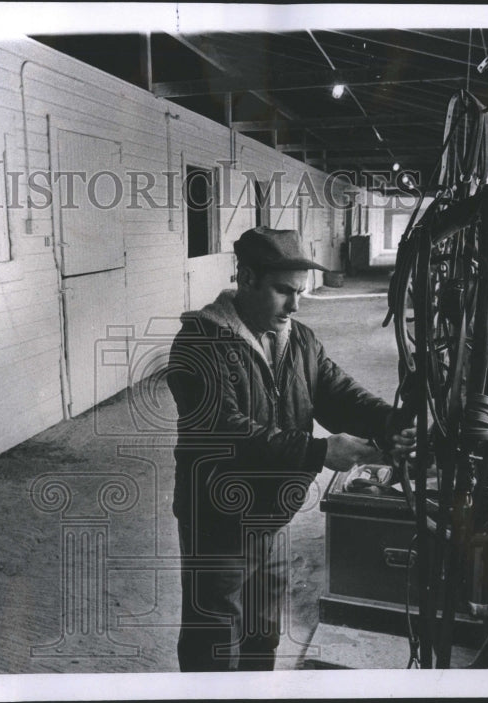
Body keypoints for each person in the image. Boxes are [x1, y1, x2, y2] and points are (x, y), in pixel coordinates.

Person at [166, 226, 415, 672]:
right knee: (214, 637)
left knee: (263, 632)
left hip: (273, 515)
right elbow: (224, 431)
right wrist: (318, 452)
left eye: (300, 292)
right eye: (284, 291)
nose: (296, 305)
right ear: (246, 278)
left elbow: (337, 392)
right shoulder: (199, 343)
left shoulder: (298, 339)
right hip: (218, 520)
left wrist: (389, 420)